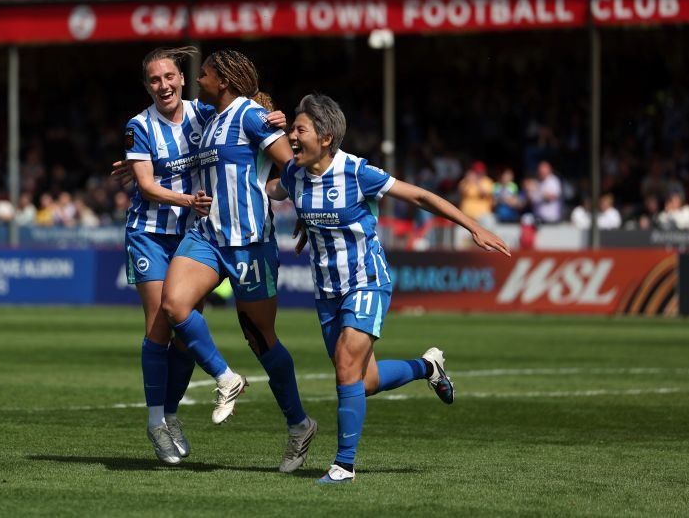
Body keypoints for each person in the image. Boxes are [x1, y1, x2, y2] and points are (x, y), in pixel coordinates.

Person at [266, 94, 510, 484]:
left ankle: (344, 466)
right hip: (327, 290)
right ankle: (427, 366)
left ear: (326, 137)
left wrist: (473, 227)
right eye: (292, 129)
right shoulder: (295, 174)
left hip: (366, 280)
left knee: (346, 368)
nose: (291, 136)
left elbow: (419, 196)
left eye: (299, 129)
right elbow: (275, 189)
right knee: (365, 382)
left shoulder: (356, 172)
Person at [117, 46, 288, 466]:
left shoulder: (203, 113)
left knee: (186, 329)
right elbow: (147, 187)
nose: (164, 85)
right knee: (160, 323)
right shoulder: (139, 126)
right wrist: (187, 198)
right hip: (152, 234)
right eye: (155, 80)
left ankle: (171, 414)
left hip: (196, 233)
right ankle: (162, 418)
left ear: (180, 77)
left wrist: (277, 118)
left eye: (170, 77)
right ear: (147, 86)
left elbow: (245, 117)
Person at [158, 49, 317, 474]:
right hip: (207, 236)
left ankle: (299, 425)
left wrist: (306, 211)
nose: (199, 82)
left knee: (260, 337)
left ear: (224, 80)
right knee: (174, 306)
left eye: (204, 75)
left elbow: (292, 165)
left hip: (250, 244)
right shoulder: (209, 120)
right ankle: (227, 378)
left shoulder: (250, 116)